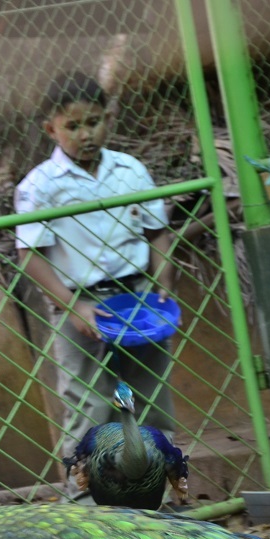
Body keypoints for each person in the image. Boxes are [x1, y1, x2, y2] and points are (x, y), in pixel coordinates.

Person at [14, 71, 178, 477]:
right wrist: (71, 306)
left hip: (138, 299)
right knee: (90, 402)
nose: (85, 134)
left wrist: (163, 280)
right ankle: (91, 505)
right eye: (72, 126)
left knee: (150, 396)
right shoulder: (39, 186)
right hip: (78, 303)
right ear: (50, 129)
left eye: (93, 122)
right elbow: (29, 256)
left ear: (108, 118)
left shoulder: (130, 171)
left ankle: (159, 494)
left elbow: (157, 231)